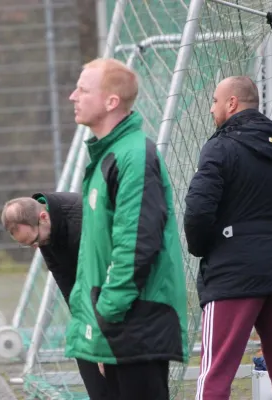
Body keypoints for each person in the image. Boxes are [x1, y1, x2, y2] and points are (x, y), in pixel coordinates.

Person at [184, 75, 272, 400]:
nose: (211, 108)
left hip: (232, 276)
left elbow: (197, 212)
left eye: (215, 101)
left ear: (232, 103)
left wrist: (207, 248)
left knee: (215, 375)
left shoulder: (219, 147)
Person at [64, 57, 189, 400]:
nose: (72, 96)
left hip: (134, 325)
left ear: (111, 101)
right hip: (118, 324)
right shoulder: (108, 155)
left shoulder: (133, 155)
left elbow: (136, 246)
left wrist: (106, 318)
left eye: (83, 89)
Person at [0, 193, 111, 400]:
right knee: (80, 340)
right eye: (27, 244)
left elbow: (100, 280)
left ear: (43, 217)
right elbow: (69, 286)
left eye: (34, 240)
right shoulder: (46, 236)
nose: (36, 246)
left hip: (120, 295)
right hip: (93, 294)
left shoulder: (82, 222)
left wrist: (99, 338)